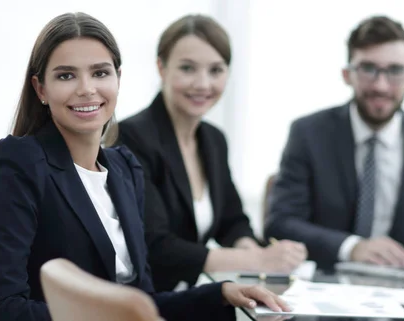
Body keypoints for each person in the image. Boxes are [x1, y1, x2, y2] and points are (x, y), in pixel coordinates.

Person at [0, 12, 290, 321]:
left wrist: (219, 292)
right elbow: (2, 310)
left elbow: (141, 301)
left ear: (118, 79)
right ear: (41, 89)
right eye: (66, 75)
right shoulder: (21, 163)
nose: (87, 88)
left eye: (100, 73)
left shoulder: (123, 167)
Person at [116, 14, 308, 292]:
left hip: (188, 295)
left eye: (216, 70)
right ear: (161, 68)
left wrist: (259, 251)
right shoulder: (131, 137)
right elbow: (156, 246)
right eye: (187, 68)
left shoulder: (213, 140)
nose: (203, 84)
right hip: (144, 300)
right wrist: (257, 259)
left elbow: (232, 222)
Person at [264, 15, 404, 270]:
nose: (381, 86)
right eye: (368, 69)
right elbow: (281, 223)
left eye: (395, 71)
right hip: (325, 285)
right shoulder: (308, 133)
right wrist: (351, 247)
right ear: (347, 74)